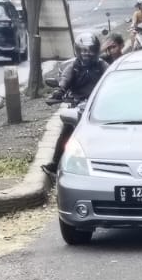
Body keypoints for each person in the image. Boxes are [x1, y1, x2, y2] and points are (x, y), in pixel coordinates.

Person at [42, 33, 109, 175]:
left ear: (96, 50)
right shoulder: (74, 66)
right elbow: (65, 79)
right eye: (83, 50)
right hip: (78, 105)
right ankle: (55, 164)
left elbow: (111, 80)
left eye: (90, 50)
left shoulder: (102, 66)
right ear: (78, 51)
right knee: (66, 132)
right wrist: (59, 92)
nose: (87, 53)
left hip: (99, 107)